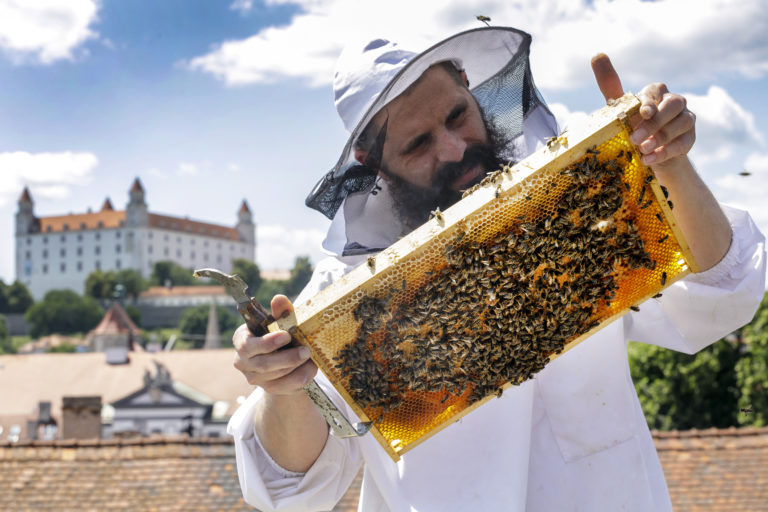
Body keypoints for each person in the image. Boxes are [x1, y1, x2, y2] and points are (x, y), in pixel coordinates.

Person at [227, 27, 766, 511]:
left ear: (469, 85)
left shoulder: (573, 203)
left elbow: (726, 289)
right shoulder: (344, 296)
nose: (456, 148)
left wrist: (667, 161)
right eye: (418, 144)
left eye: (458, 115)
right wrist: (285, 386)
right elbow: (291, 487)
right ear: (371, 162)